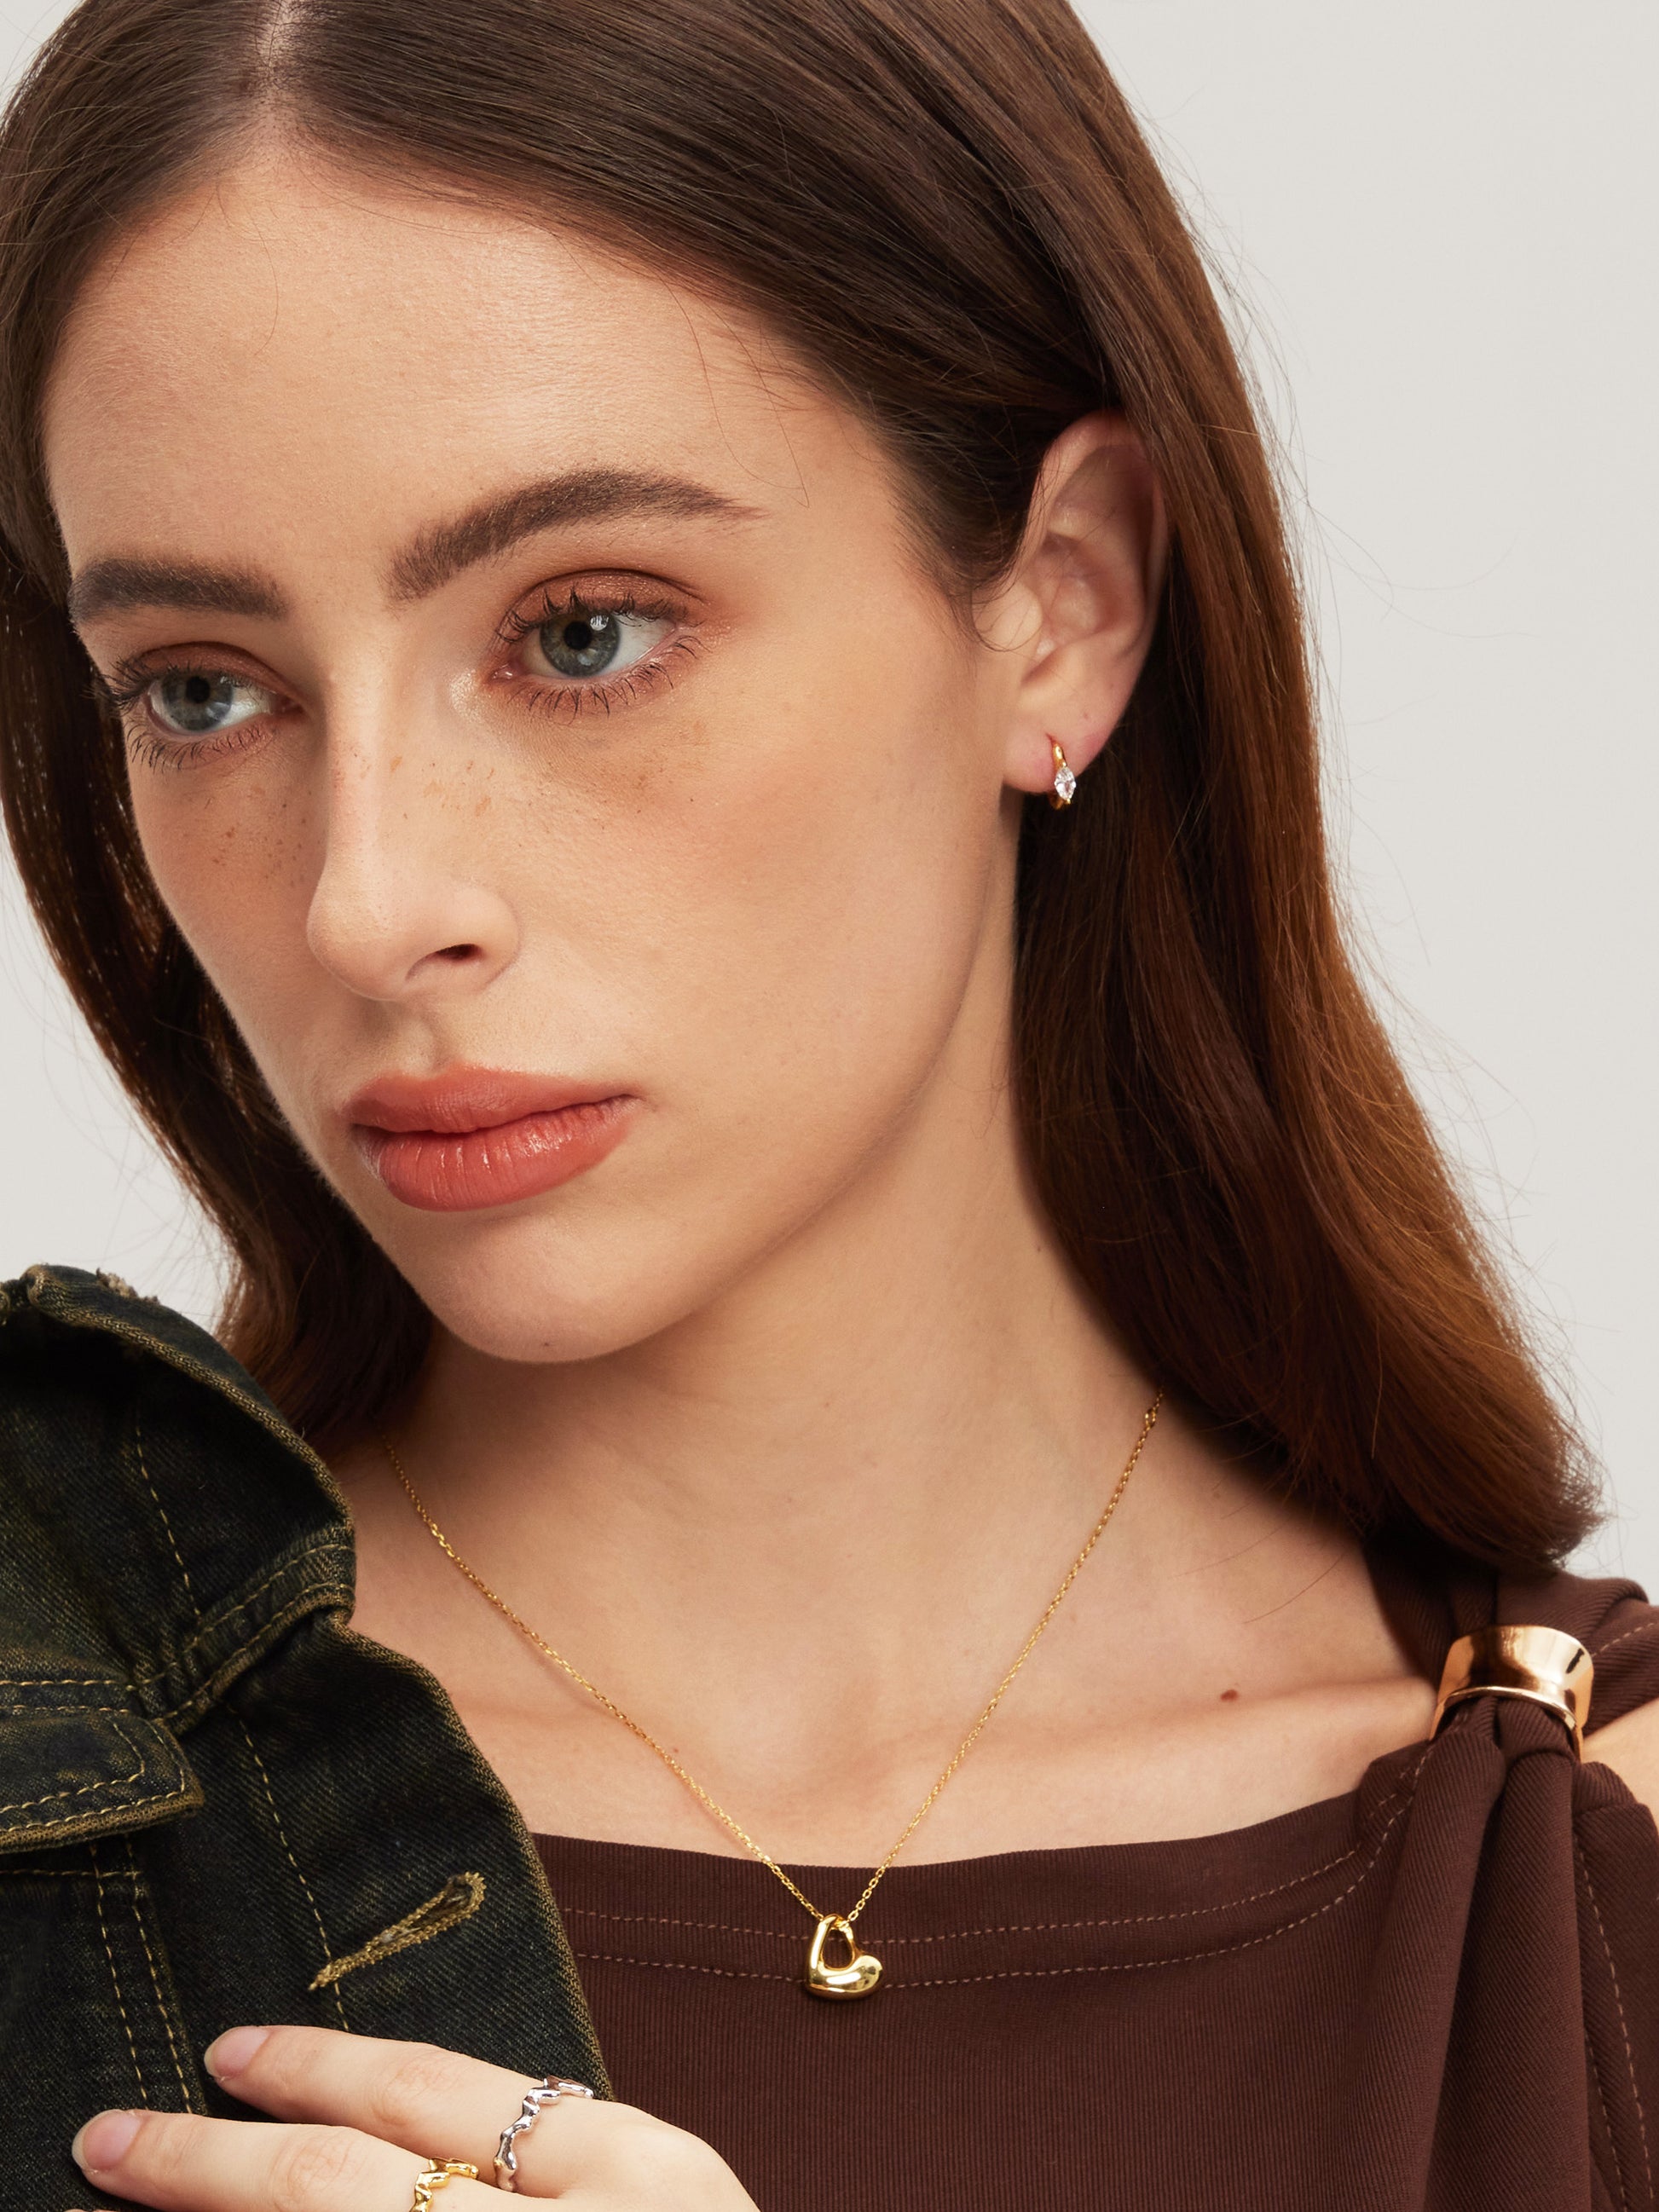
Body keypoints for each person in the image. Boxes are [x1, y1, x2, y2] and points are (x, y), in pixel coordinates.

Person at [0, 1, 1654, 2207]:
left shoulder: (1596, 1858)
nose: (367, 898)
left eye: (581, 631)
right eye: (203, 688)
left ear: (1061, 604)